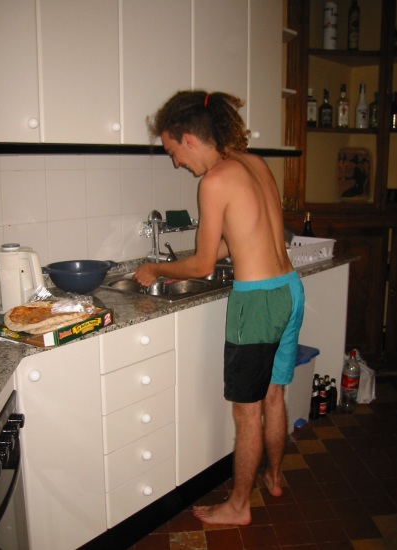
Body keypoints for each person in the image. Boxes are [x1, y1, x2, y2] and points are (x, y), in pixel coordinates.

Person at [134, 90, 305, 526]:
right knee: (274, 393)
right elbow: (238, 239)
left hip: (258, 302)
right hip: (289, 289)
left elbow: (205, 262)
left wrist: (155, 266)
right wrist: (178, 269)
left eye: (173, 152)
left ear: (188, 138)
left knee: (247, 411)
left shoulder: (213, 181)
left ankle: (239, 506)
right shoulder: (254, 163)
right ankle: (274, 476)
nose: (177, 164)